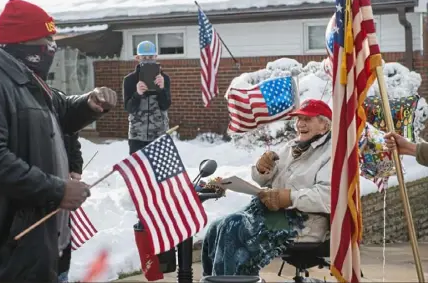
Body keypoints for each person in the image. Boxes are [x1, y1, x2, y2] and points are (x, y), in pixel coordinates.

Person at [0, 0, 117, 283]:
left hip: (42, 246)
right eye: (46, 39)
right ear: (20, 41)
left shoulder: (27, 78)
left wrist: (89, 103)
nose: (52, 46)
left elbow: (60, 110)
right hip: (10, 255)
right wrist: (55, 189)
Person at [202, 99, 332, 276]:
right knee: (216, 227)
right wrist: (262, 170)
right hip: (273, 211)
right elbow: (264, 182)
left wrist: (288, 197)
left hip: (304, 221)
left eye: (307, 119)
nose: (300, 124)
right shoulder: (291, 146)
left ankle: (234, 280)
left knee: (234, 226)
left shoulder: (331, 153)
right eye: (298, 119)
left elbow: (327, 197)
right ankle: (216, 280)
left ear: (324, 126)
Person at [53, 88, 85, 283]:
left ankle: (62, 274)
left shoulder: (57, 100)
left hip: (64, 178)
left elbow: (73, 139)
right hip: (44, 182)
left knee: (64, 230)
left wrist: (75, 166)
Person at [122, 40, 171, 155]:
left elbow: (165, 105)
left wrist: (161, 89)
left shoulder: (164, 78)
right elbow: (129, 108)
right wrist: (137, 94)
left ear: (156, 56)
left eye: (151, 57)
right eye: (144, 57)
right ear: (137, 58)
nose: (148, 60)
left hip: (159, 134)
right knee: (139, 170)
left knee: (158, 171)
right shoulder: (129, 80)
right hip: (137, 136)